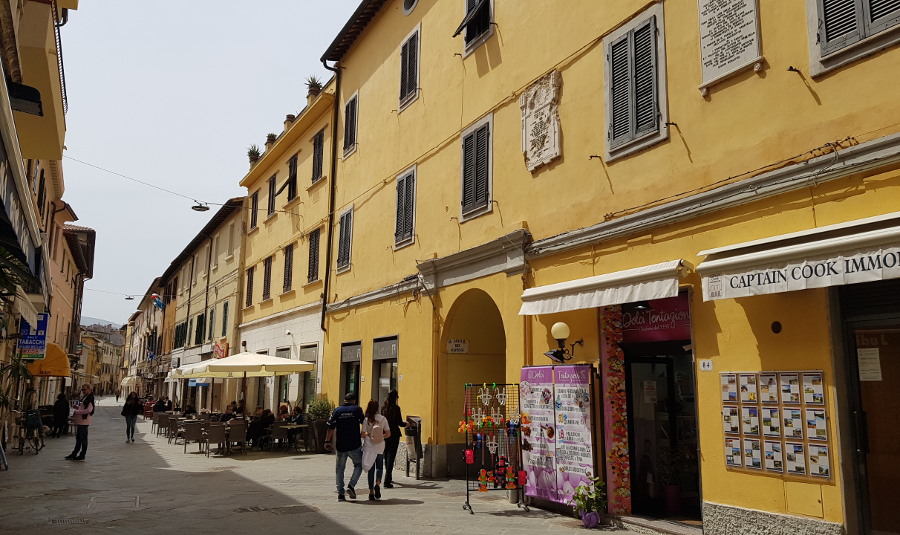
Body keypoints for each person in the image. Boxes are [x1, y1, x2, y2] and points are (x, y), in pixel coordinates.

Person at [325, 393, 365, 502]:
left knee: (339, 469)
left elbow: (330, 427)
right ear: (354, 400)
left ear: (344, 400)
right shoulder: (357, 410)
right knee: (359, 465)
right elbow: (365, 423)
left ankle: (340, 494)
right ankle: (351, 486)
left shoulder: (337, 411)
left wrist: (327, 441)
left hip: (341, 445)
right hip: (354, 444)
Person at [362, 399, 391, 500]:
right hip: (380, 445)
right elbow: (388, 433)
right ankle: (377, 484)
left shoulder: (366, 419)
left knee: (371, 468)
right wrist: (380, 436)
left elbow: (362, 434)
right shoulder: (383, 419)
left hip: (369, 446)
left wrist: (369, 435)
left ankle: (371, 492)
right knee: (379, 467)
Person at [380, 390, 406, 488]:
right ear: (395, 398)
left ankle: (388, 477)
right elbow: (399, 422)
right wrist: (406, 424)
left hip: (385, 434)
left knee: (386, 456)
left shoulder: (383, 408)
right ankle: (387, 480)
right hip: (394, 434)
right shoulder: (396, 408)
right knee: (391, 456)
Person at [66, 384, 95, 461]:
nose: (83, 391)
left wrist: (77, 411)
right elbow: (84, 408)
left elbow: (89, 410)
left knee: (83, 439)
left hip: (84, 421)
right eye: (82, 390)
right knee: (78, 438)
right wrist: (78, 407)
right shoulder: (86, 397)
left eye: (84, 390)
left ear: (89, 389)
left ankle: (82, 454)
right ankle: (74, 453)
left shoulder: (90, 398)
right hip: (81, 421)